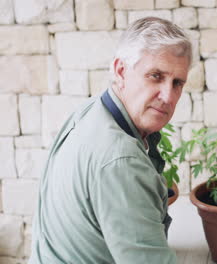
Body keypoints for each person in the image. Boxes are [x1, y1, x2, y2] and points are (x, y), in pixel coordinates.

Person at [29, 17, 192, 264]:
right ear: (120, 71)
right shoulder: (121, 160)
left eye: (177, 82)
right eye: (156, 76)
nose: (168, 96)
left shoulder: (91, 111)